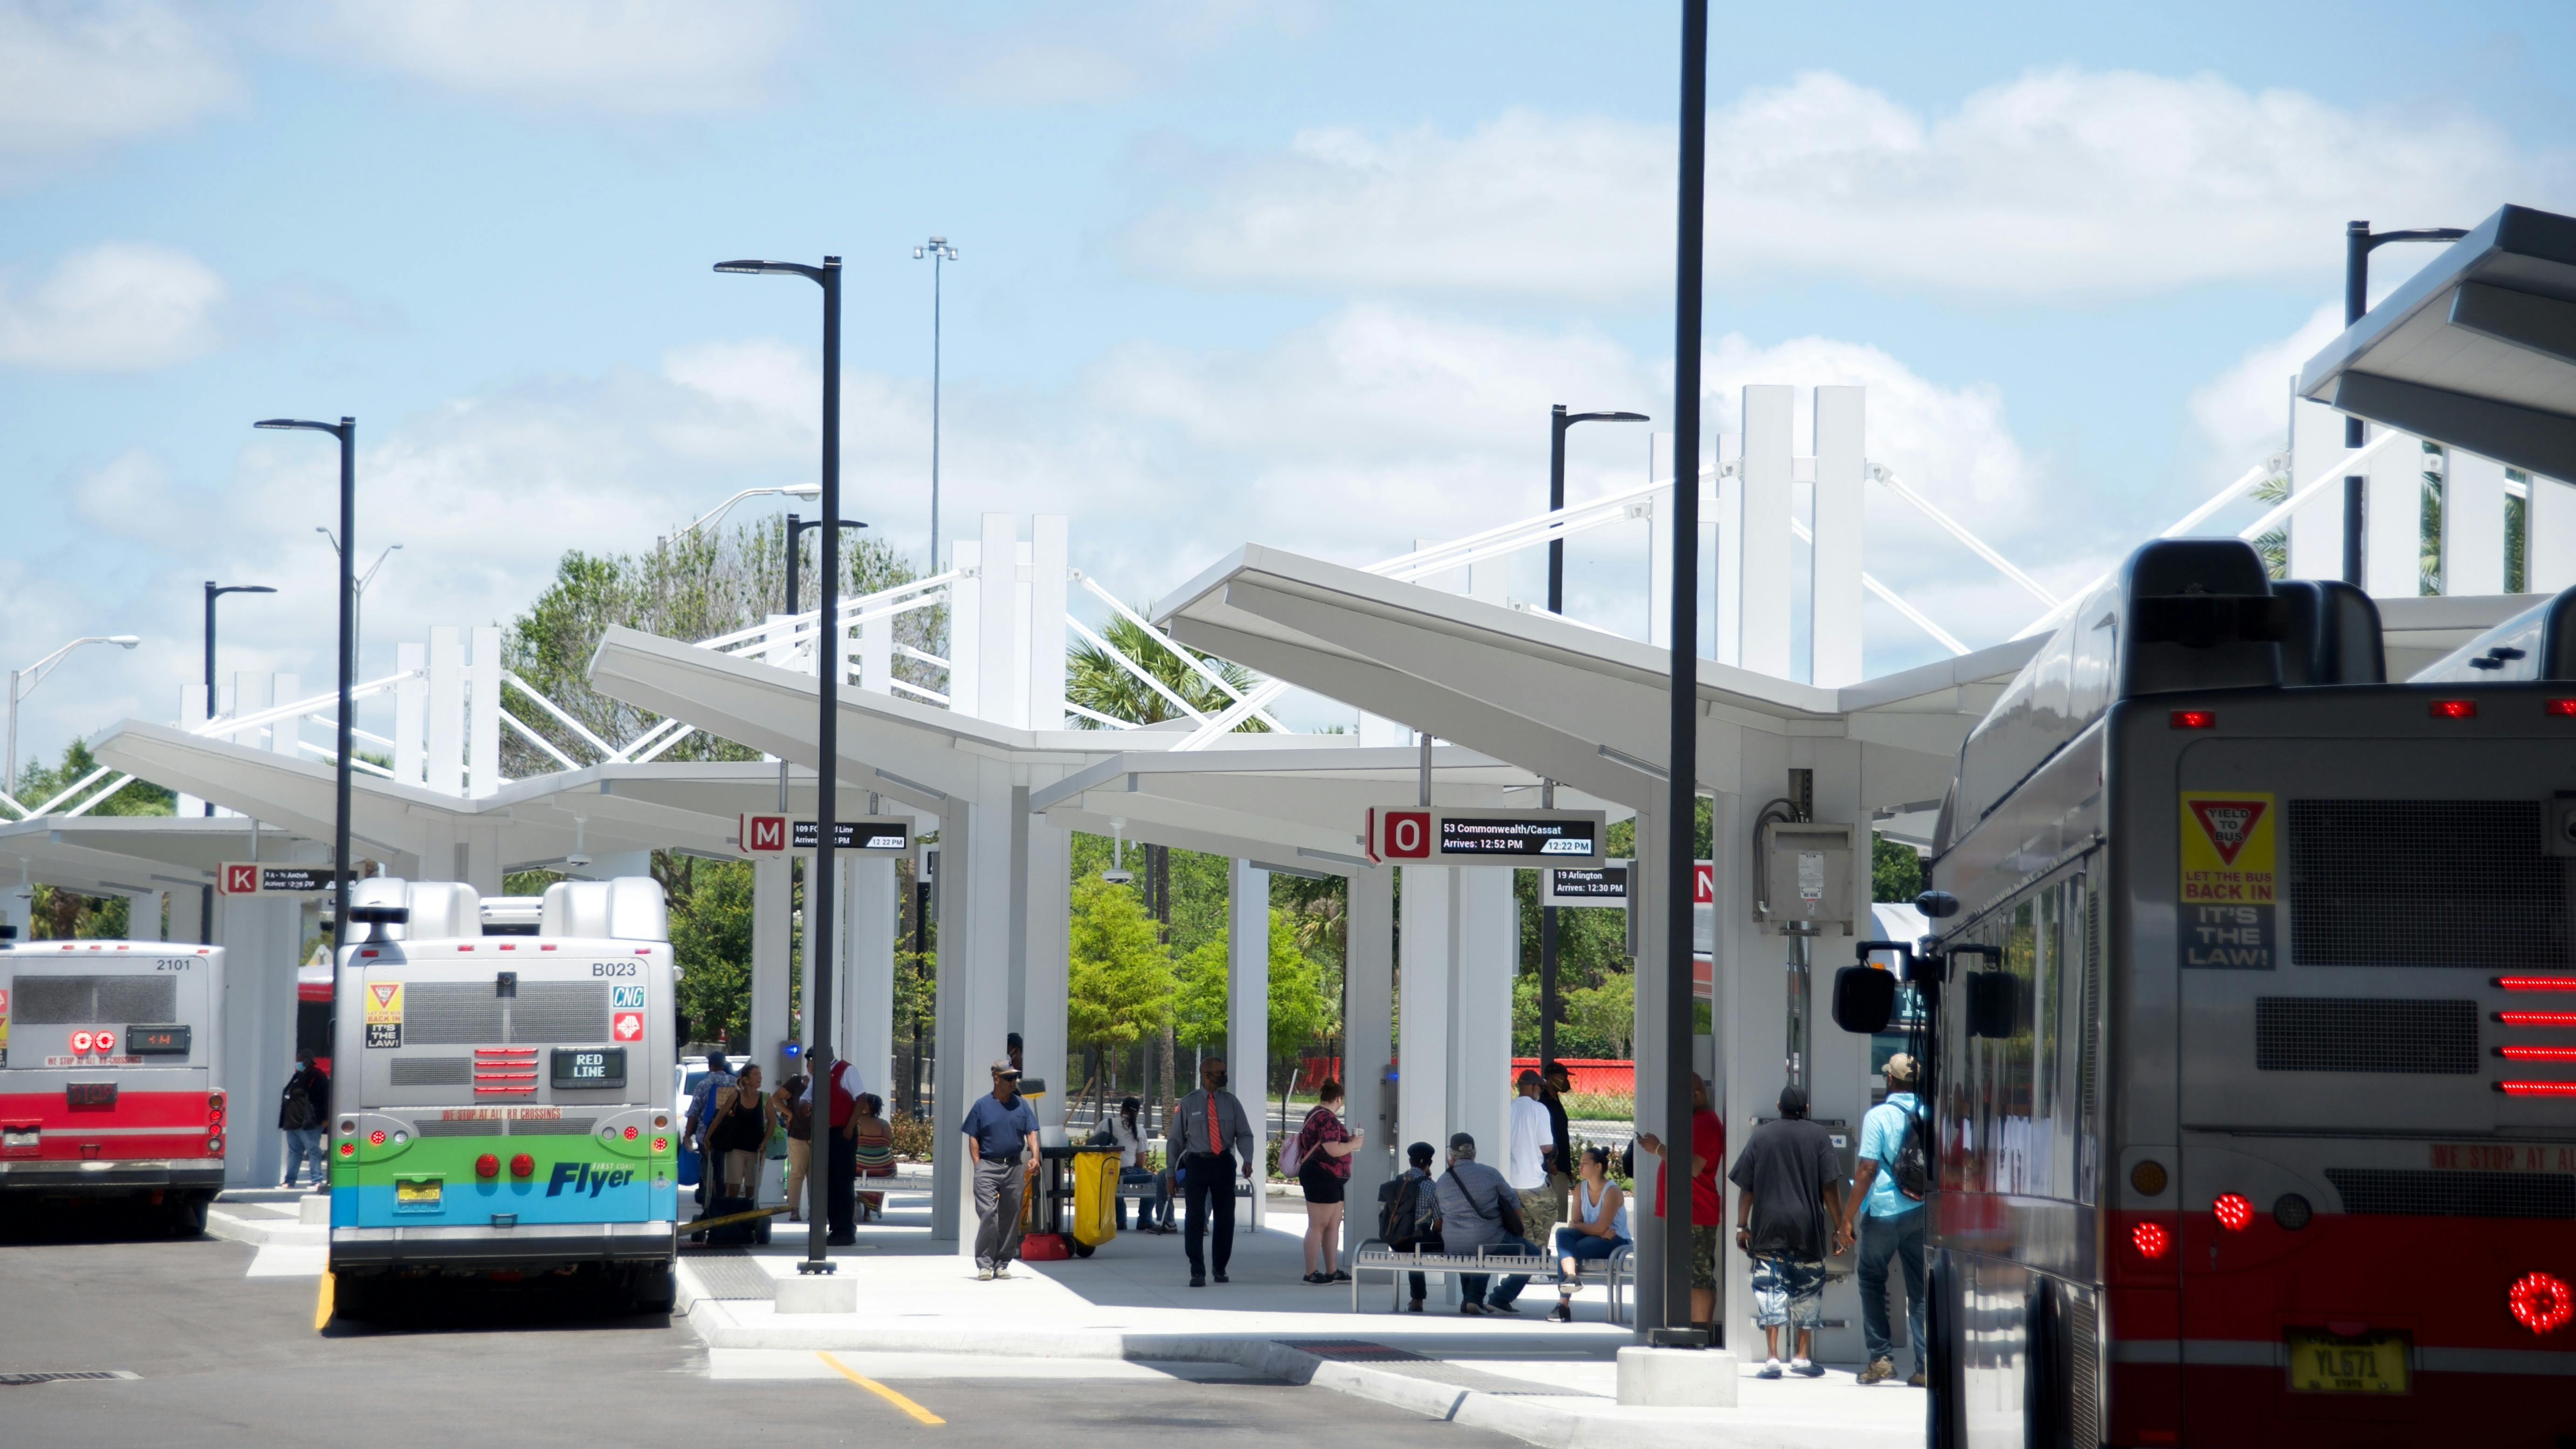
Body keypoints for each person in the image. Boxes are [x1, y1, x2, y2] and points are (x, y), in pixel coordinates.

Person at [1729, 1083, 1850, 1380]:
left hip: (1768, 1226)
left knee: (1771, 1287)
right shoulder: (1819, 1136)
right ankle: (1801, 1356)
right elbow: (1829, 1185)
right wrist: (1838, 1225)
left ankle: (1772, 1358)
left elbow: (1748, 1187)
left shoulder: (1761, 1137)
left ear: (1778, 1106)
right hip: (1807, 1226)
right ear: (1806, 1110)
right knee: (1808, 1289)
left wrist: (1742, 1226)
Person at [1840, 1054, 1929, 1387]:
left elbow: (1866, 1169)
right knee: (1920, 1291)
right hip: (1921, 1213)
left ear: (1890, 1081)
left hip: (1883, 1213)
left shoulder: (1878, 1116)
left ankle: (1881, 1360)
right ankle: (1925, 1366)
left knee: (1872, 1279)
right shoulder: (1930, 1113)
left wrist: (1846, 1220)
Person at [1635, 1071, 1725, 1334]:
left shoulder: (1705, 1122)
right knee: (1698, 1276)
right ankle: (1699, 1332)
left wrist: (1659, 1148)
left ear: (1696, 1095)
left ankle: (1698, 1335)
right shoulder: (1699, 1120)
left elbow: (1694, 1166)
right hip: (1689, 1213)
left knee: (1697, 1278)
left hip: (1694, 1213)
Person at [1434, 1132, 1542, 1316]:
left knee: (1472, 1251)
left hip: (1453, 1242)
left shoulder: (1442, 1181)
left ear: (1450, 1155)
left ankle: (1470, 1300)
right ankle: (1500, 1298)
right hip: (1488, 1237)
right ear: (1474, 1153)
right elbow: (1513, 1202)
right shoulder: (1490, 1173)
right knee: (1534, 1256)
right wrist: (1520, 1232)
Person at [1170, 1057, 1254, 1287]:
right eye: (1221, 1072)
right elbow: (1176, 1140)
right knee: (1195, 1218)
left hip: (1223, 1163)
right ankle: (1197, 1270)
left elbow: (1245, 1133)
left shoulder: (1232, 1103)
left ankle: (1220, 1267)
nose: (1224, 1076)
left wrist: (1247, 1159)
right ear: (1206, 1075)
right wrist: (1170, 1174)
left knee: (1226, 1217)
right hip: (1197, 1163)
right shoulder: (1189, 1103)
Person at [959, 1059, 1040, 1280]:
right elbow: (973, 1136)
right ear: (996, 1079)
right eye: (1008, 1078)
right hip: (988, 1165)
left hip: (1014, 1166)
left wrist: (1035, 1157)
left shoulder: (1022, 1105)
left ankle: (1002, 1263)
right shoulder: (981, 1105)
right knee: (988, 1215)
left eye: (1015, 1077)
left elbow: (1032, 1133)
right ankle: (985, 1264)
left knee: (1010, 1216)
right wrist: (979, 1165)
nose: (1013, 1081)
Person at [1547, 1145, 1630, 1322]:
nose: (1580, 1167)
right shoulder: (1580, 1188)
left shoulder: (1612, 1191)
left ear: (1598, 1167)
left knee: (1571, 1250)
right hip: (1597, 1236)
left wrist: (1592, 1229)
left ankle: (1563, 1306)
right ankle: (1571, 1277)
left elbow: (1589, 1226)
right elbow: (1574, 1225)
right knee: (1562, 1233)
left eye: (1585, 1163)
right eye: (1579, 1163)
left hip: (1616, 1241)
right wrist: (1596, 1230)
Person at [1294, 1080, 1363, 1284]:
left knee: (1333, 1225)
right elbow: (1333, 1150)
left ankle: (1332, 1270)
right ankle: (1310, 1272)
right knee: (1318, 1225)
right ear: (1339, 1099)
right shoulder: (1327, 1119)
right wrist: (1354, 1144)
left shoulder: (1316, 1114)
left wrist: (1347, 1142)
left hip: (1332, 1178)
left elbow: (1330, 1144)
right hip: (1322, 1176)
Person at [1381, 1141, 1444, 1312]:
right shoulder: (1431, 1186)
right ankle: (1468, 1298)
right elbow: (1439, 1224)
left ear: (1410, 1161)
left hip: (1395, 1240)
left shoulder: (1396, 1181)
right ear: (1429, 1164)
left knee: (1412, 1249)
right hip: (1418, 1241)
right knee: (1454, 1248)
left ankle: (1417, 1299)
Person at [1506, 1069, 1560, 1250]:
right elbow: (1547, 1147)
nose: (1541, 1091)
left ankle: (1528, 1264)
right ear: (1533, 1087)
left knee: (1524, 1224)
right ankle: (1538, 1263)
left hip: (1512, 1181)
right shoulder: (1539, 1109)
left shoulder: (1509, 1108)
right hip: (1533, 1180)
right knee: (1548, 1214)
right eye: (1540, 1087)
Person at [705, 1063, 770, 1199]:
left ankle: (749, 1217)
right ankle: (732, 1214)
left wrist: (765, 1142)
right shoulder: (736, 1096)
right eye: (756, 1074)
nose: (760, 1077)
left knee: (751, 1189)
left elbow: (773, 1122)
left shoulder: (765, 1098)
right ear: (746, 1080)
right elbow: (719, 1117)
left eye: (760, 1074)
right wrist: (708, 1137)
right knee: (733, 1187)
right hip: (735, 1148)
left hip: (756, 1149)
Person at [1107, 1096, 1168, 1232]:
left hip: (1108, 1172)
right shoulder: (1140, 1130)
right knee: (1156, 1181)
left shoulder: (1107, 1124)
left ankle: (1120, 1220)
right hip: (1129, 1173)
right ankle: (1145, 1220)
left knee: (1115, 1184)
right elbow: (1140, 1162)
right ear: (1137, 1113)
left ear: (1122, 1109)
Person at [820, 1055, 864, 1244]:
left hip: (843, 1132)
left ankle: (846, 1230)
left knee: (843, 1182)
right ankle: (836, 1228)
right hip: (827, 1133)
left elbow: (862, 1098)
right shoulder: (820, 1074)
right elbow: (809, 1096)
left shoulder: (847, 1070)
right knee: (830, 1182)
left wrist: (849, 1127)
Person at [684, 1053, 736, 1206]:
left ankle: (708, 1199)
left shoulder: (704, 1084)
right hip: (730, 1134)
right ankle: (723, 1199)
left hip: (706, 1134)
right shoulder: (735, 1084)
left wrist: (687, 1135)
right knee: (724, 1169)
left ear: (710, 1066)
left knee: (708, 1168)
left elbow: (694, 1112)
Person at [278, 1049, 331, 1189]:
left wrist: (325, 1117)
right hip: (292, 1122)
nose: (297, 1063)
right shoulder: (298, 1075)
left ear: (307, 1061)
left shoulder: (317, 1076)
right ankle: (289, 1181)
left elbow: (326, 1098)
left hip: (309, 1122)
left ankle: (317, 1180)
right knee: (294, 1152)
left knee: (313, 1150)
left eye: (299, 1060)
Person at [853, 1093, 897, 1222]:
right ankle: (868, 1213)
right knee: (875, 1174)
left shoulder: (857, 1122)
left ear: (866, 1106)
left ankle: (860, 1204)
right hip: (884, 1167)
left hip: (860, 1165)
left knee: (858, 1170)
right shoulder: (884, 1124)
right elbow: (889, 1142)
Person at [1540, 1060, 1575, 1217]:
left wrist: (1567, 1170)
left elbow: (1561, 1135)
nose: (1566, 1080)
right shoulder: (1543, 1102)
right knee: (1550, 1214)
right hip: (1552, 1167)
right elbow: (1545, 1134)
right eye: (1563, 1076)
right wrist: (1550, 1162)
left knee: (1559, 1214)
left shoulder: (1555, 1100)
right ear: (1551, 1077)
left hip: (1560, 1166)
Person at [776, 1073, 812, 1221]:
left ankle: (815, 1210)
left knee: (815, 1175)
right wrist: (789, 1113)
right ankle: (794, 1209)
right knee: (797, 1172)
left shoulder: (827, 1080)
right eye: (810, 1061)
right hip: (797, 1134)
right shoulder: (797, 1082)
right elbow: (776, 1098)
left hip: (820, 1135)